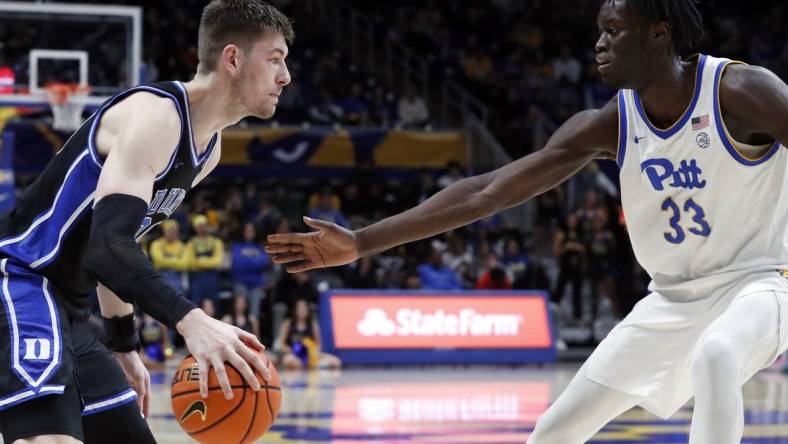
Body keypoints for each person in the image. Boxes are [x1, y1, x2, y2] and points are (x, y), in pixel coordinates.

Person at [266, 1, 788, 442]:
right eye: (598, 33)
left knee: (718, 354)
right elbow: (488, 191)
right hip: (672, 298)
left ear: (658, 34)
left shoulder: (739, 90)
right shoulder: (610, 122)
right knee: (551, 433)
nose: (600, 44)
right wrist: (361, 241)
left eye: (613, 31)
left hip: (764, 280)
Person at [0, 1, 293, 443]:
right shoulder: (157, 115)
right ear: (232, 58)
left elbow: (121, 246)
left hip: (69, 309)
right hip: (21, 281)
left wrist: (124, 345)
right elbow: (107, 248)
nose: (285, 76)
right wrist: (192, 320)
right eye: (275, 60)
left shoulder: (207, 149)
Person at [274, 299, 341, 371]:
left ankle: (317, 365)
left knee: (336, 362)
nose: (301, 311)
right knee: (289, 361)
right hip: (293, 355)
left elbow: (318, 344)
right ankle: (312, 367)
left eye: (304, 309)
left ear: (308, 310)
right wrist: (294, 350)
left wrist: (312, 352)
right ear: (295, 310)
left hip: (310, 355)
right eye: (299, 309)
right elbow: (281, 345)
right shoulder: (288, 324)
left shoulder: (312, 324)